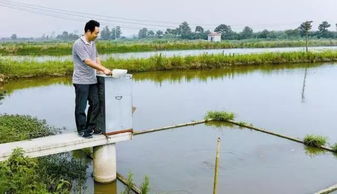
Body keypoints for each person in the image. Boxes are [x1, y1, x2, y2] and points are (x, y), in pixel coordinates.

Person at [72, 20, 112, 138]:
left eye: (98, 33)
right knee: (81, 106)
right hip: (81, 81)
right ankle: (82, 130)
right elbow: (87, 61)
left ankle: (91, 127)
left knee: (96, 103)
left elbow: (95, 57)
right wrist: (104, 69)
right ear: (88, 31)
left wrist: (100, 69)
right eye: (96, 33)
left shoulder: (92, 43)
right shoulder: (78, 44)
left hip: (92, 79)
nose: (97, 35)